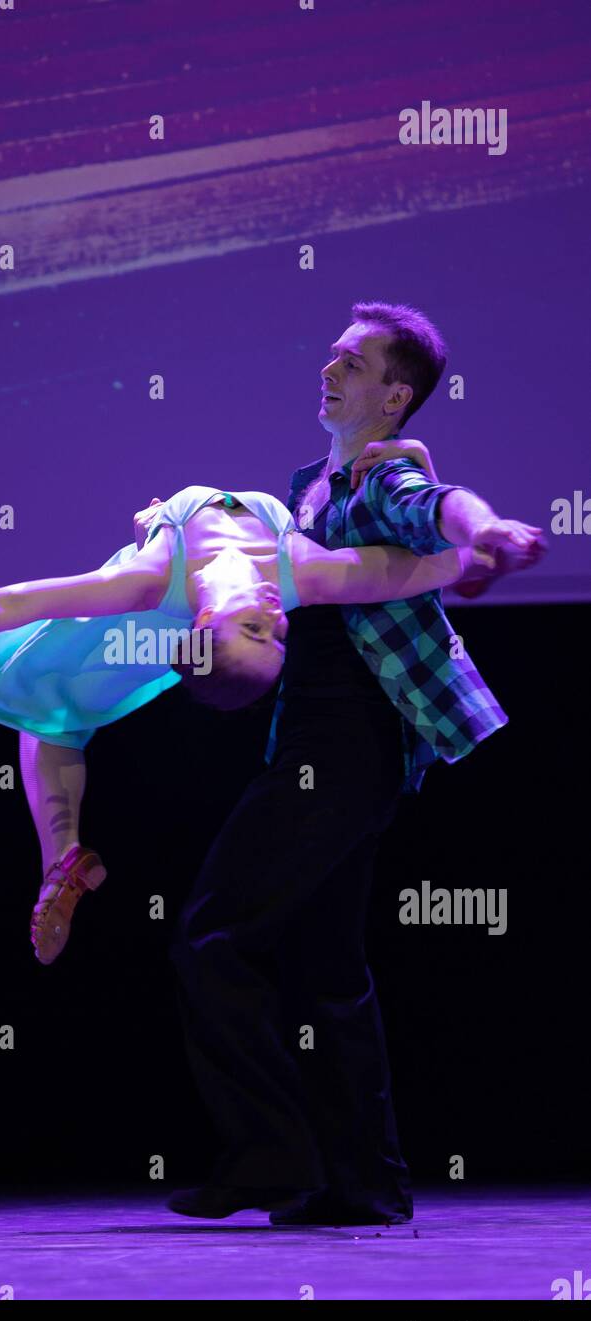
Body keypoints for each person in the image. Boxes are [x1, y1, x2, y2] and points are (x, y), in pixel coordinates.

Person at [165, 301, 544, 1226]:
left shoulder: (381, 480)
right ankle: (365, 1184)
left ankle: (269, 1156)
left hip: (343, 751)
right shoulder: (312, 489)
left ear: (394, 396)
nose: (328, 370)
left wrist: (486, 530)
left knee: (211, 937)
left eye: (352, 362)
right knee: (328, 965)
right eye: (330, 355)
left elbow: (439, 507)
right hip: (325, 750)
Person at [0, 468, 492, 964]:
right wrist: (483, 548)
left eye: (253, 628)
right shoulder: (298, 571)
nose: (274, 613)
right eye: (277, 634)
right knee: (51, 717)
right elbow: (400, 571)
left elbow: (20, 602)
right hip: (133, 652)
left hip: (114, 642)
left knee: (43, 706)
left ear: (207, 623)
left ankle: (60, 857)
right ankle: (60, 857)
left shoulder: (153, 575)